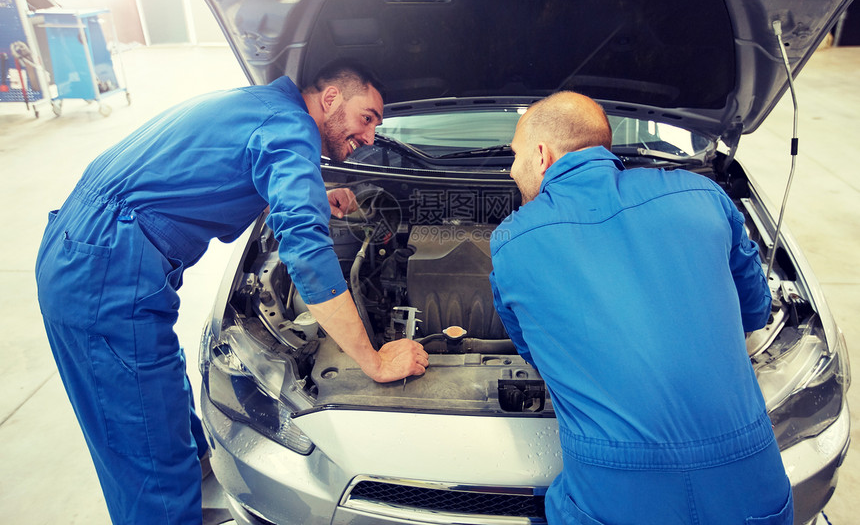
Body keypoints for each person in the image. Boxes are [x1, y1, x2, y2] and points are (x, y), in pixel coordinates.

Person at [34, 59, 429, 524]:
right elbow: (306, 256)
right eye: (367, 118)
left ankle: (198, 472)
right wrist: (374, 360)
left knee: (160, 394)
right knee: (147, 452)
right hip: (103, 267)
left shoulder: (265, 108)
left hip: (88, 244)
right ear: (330, 99)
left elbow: (232, 165)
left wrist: (314, 193)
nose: (369, 138)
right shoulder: (291, 127)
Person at [489, 91, 792, 525]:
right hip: (753, 489)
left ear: (541, 156)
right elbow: (755, 311)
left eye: (514, 155)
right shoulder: (702, 193)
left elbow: (538, 355)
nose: (511, 168)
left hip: (617, 501)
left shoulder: (511, 243)